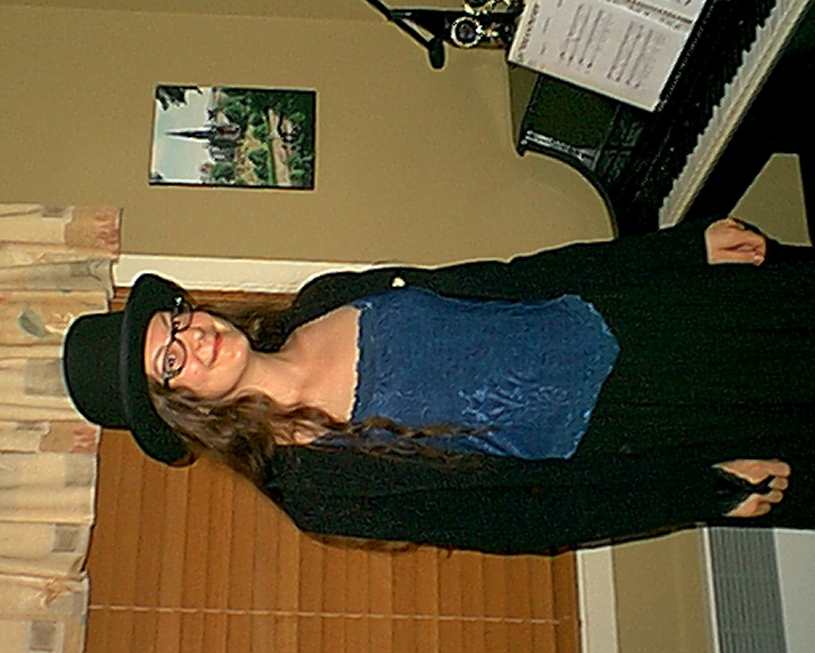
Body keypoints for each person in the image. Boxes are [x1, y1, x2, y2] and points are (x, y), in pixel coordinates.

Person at [62, 217, 814, 553]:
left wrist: (675, 252)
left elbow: (514, 281)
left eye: (178, 319)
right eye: (171, 361)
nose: (195, 336)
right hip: (655, 431)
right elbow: (523, 522)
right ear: (180, 409)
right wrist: (691, 492)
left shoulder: (324, 299)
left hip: (665, 314)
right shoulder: (316, 490)